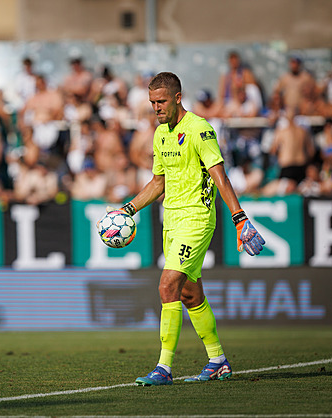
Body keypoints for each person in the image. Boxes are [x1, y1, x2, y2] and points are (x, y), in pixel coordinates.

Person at [112, 72, 265, 386]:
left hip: (197, 219)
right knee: (190, 294)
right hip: (172, 221)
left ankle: (164, 367)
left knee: (167, 286)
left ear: (177, 98)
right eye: (152, 102)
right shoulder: (160, 134)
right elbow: (159, 182)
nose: (156, 108)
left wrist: (239, 218)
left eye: (161, 102)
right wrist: (129, 209)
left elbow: (219, 175)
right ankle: (218, 360)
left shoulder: (199, 129)